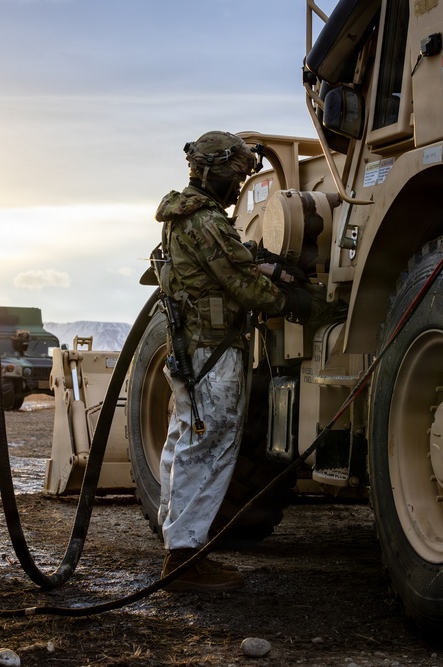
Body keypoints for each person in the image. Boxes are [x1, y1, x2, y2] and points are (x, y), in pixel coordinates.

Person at [154, 130, 313, 592]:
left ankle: (176, 540)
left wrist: (263, 266)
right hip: (213, 354)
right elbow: (244, 287)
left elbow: (232, 266)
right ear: (210, 172)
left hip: (191, 351)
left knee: (183, 443)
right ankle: (185, 558)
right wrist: (296, 303)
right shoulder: (206, 223)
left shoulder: (182, 218)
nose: (237, 184)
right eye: (234, 174)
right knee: (211, 448)